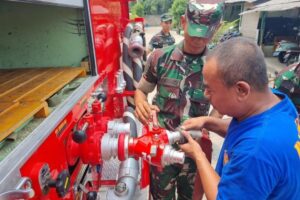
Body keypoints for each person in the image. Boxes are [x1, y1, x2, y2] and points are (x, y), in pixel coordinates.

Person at [180, 37, 300, 199]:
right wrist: (208, 122)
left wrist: (198, 155)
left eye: (210, 89)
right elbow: (246, 127)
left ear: (242, 90)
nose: (205, 95)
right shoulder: (277, 103)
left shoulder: (256, 152)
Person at [134, 1, 224, 199]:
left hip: (195, 154)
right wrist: (141, 104)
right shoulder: (159, 57)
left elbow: (221, 104)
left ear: (216, 29)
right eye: (194, 32)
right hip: (161, 150)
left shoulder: (218, 66)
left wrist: (210, 122)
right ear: (183, 22)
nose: (199, 39)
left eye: (205, 34)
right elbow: (141, 91)